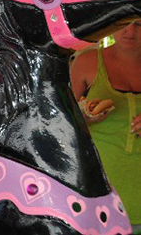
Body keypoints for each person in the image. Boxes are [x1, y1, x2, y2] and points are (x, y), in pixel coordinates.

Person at [71, 21, 141, 232]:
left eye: (139, 24)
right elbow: (58, 121)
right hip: (99, 188)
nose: (130, 31)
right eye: (123, 24)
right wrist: (84, 119)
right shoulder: (86, 62)